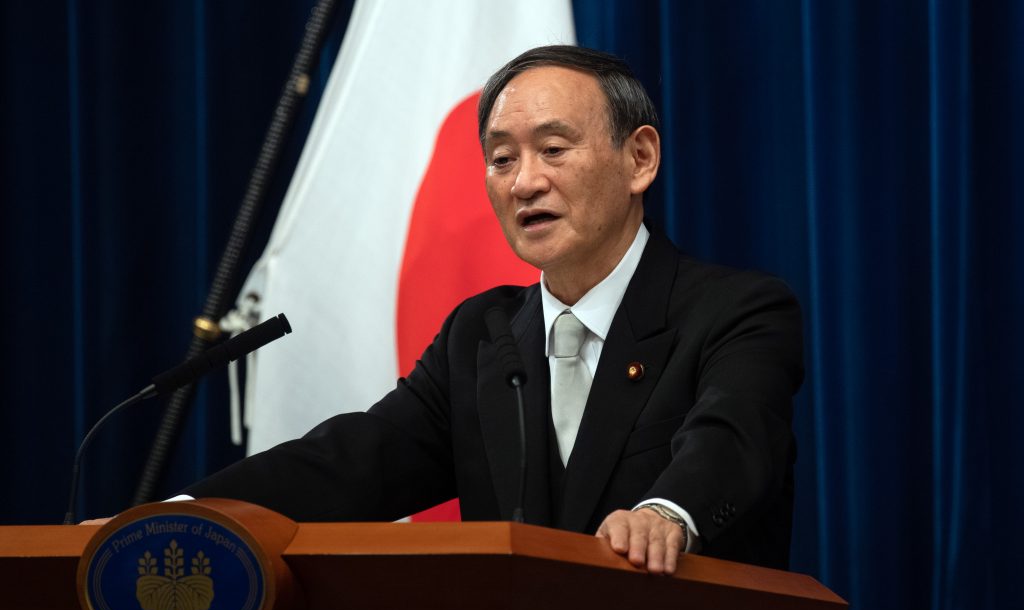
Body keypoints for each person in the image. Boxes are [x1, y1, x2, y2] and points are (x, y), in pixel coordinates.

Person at [170, 46, 804, 581]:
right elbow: (351, 461)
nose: (524, 182)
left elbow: (733, 438)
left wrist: (667, 513)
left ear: (639, 159)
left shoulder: (736, 312)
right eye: (502, 159)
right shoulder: (482, 336)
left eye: (553, 149)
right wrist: (180, 515)